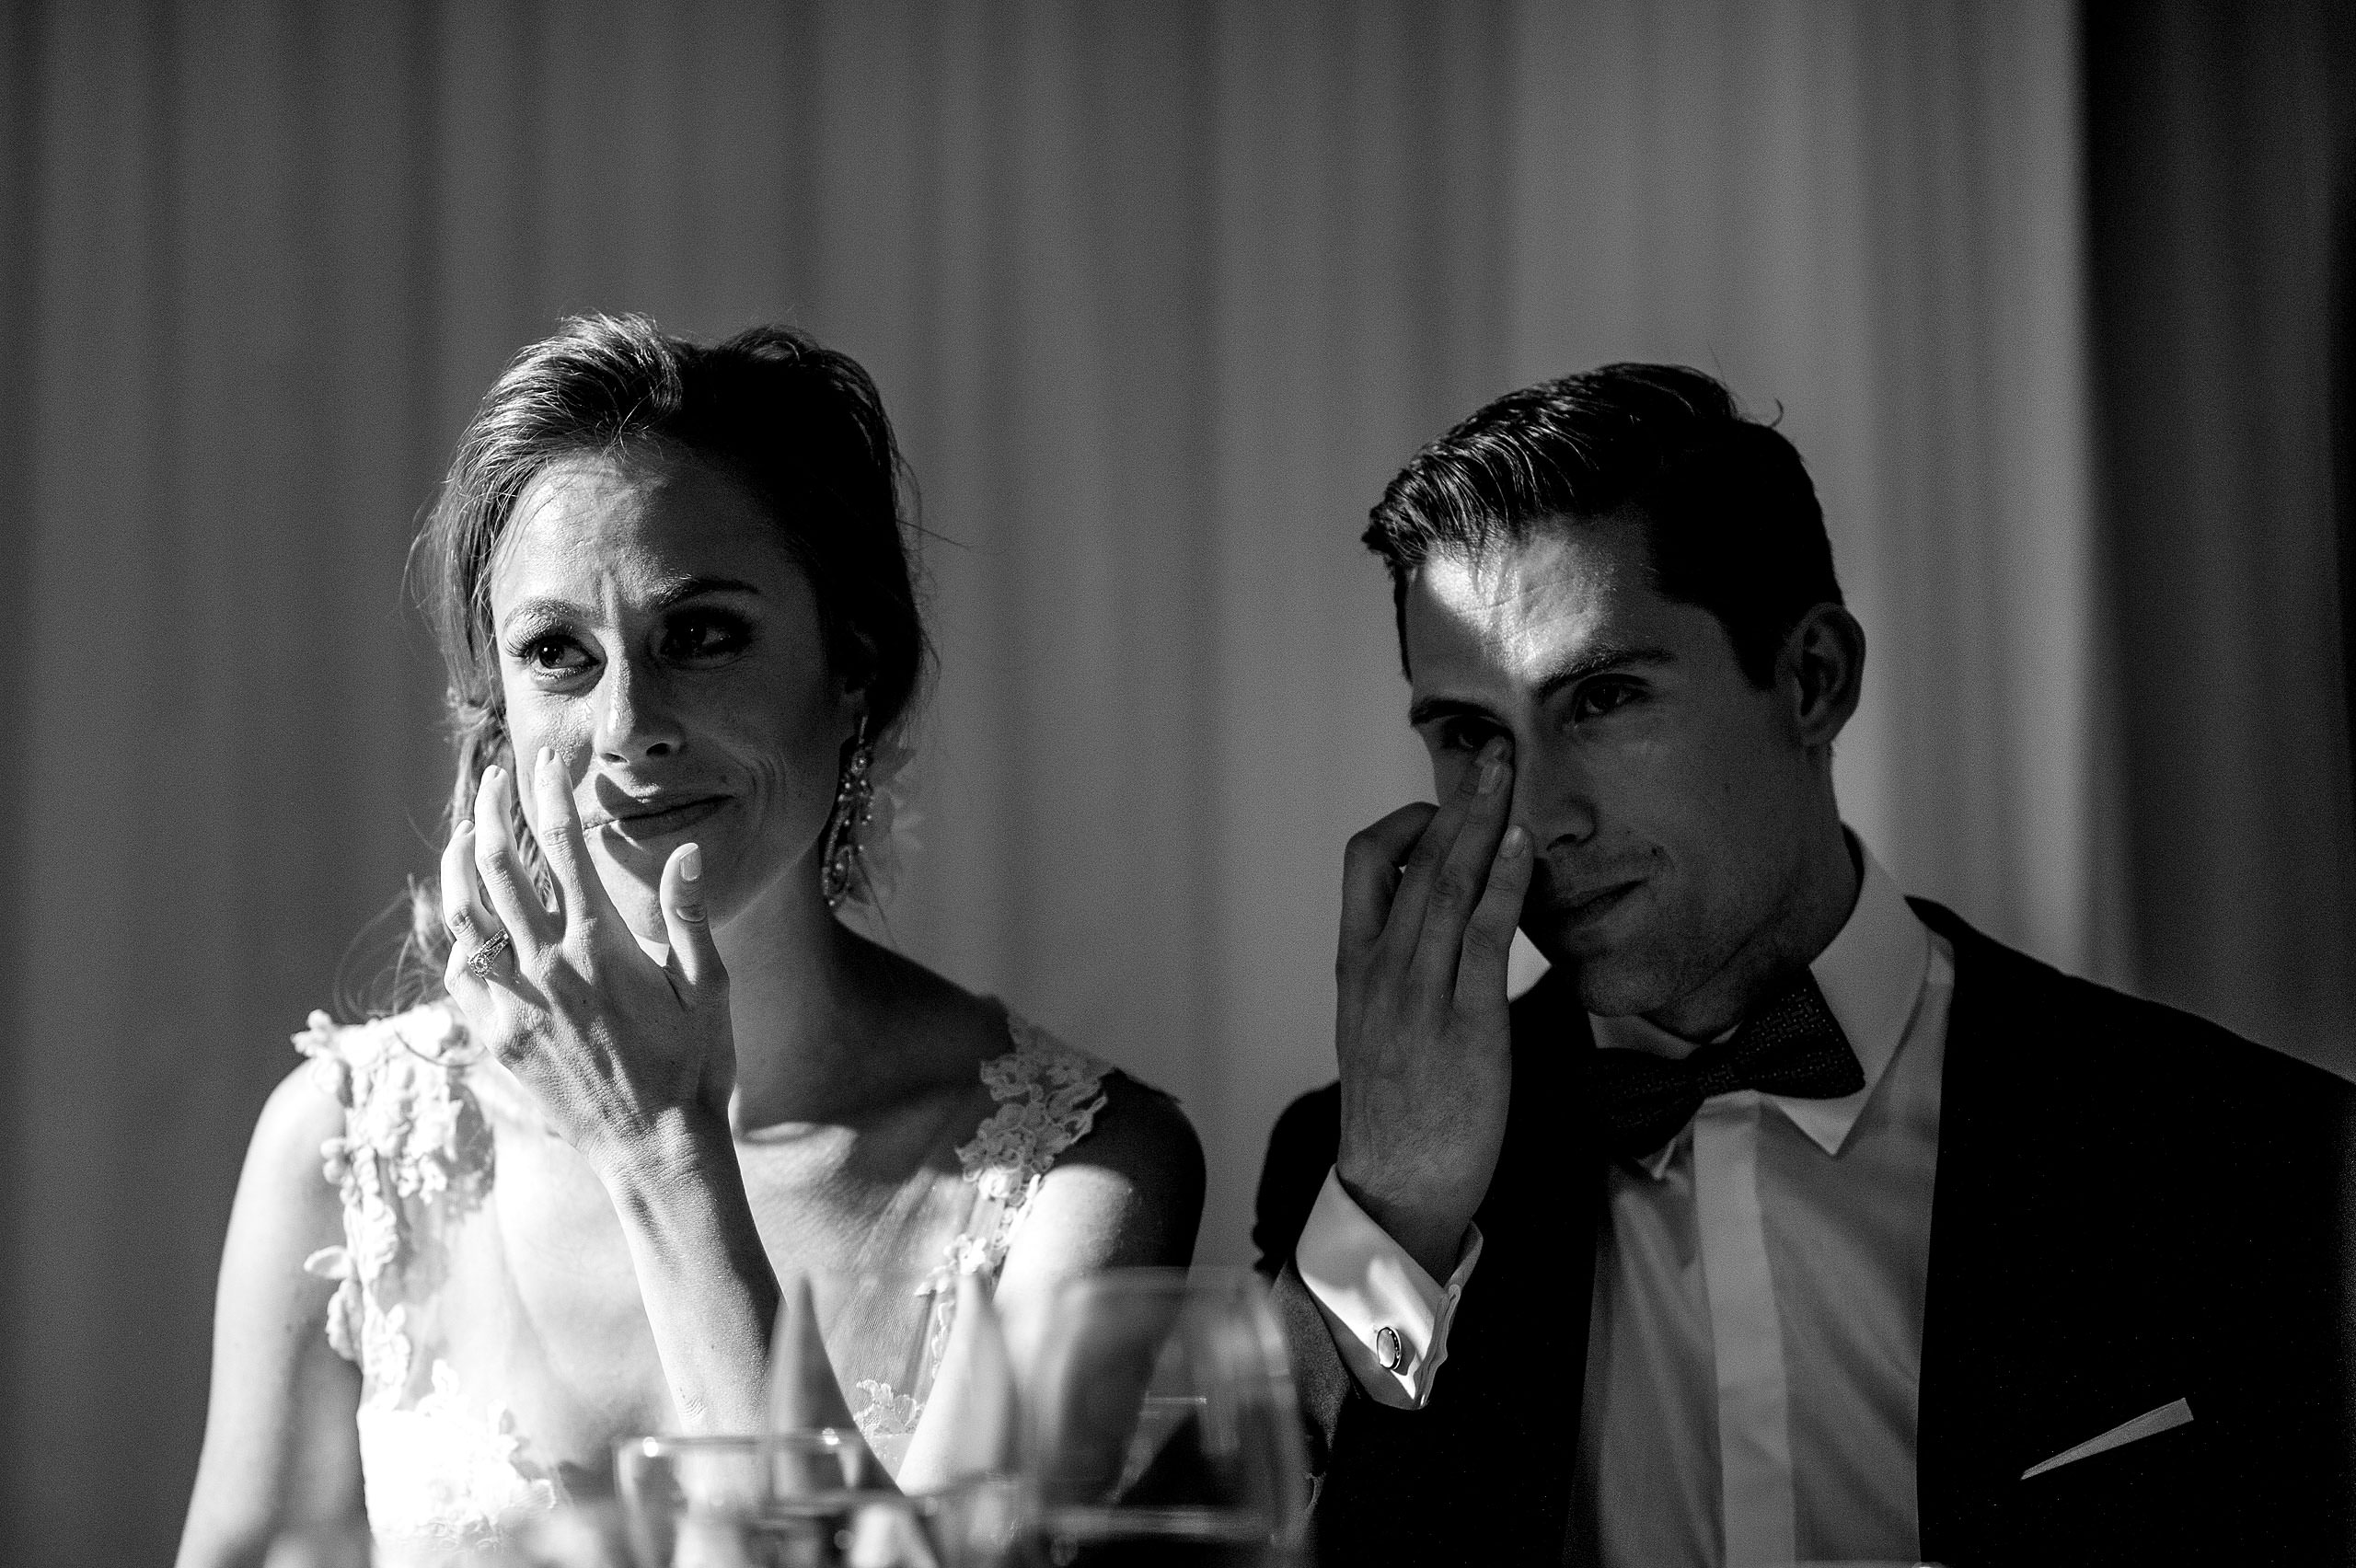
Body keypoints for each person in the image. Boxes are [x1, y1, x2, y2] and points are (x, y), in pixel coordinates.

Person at [1251, 364, 2356, 1567]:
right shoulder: (1349, 1180)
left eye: (1604, 697)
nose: (1538, 818)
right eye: (1471, 736)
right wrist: (1397, 1221)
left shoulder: (2255, 1162)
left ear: (1813, 679)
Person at [176, 316, 1204, 1566]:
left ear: (855, 669)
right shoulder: (347, 1151)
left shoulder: (1081, 1181)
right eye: (558, 655)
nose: (626, 725)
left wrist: (660, 1146)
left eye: (703, 634)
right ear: (496, 717)